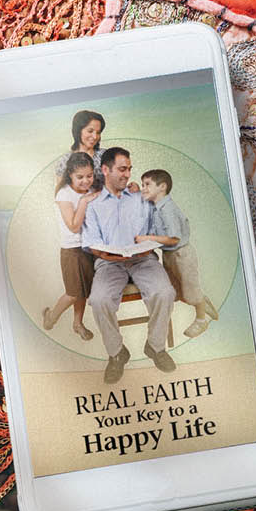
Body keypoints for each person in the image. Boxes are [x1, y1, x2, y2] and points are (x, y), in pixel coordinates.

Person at [81, 147, 176, 384]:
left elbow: (157, 230)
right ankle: (117, 353)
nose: (127, 174)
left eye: (129, 169)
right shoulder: (93, 205)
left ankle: (155, 347)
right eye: (122, 169)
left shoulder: (141, 197)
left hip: (143, 259)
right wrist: (108, 255)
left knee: (165, 292)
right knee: (100, 299)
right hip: (109, 263)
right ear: (105, 170)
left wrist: (149, 243)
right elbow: (92, 243)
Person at [135, 168, 219, 338]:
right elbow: (143, 204)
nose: (143, 188)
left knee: (190, 291)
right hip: (169, 256)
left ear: (162, 187)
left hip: (181, 255)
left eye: (147, 185)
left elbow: (174, 239)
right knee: (179, 291)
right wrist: (136, 190)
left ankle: (201, 320)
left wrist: (148, 238)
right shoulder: (156, 206)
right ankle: (201, 300)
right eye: (142, 184)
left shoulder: (168, 209)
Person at [43, 152, 98, 340]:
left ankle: (77, 324)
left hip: (90, 248)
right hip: (72, 250)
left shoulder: (91, 191)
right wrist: (83, 202)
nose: (86, 181)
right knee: (74, 293)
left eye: (89, 176)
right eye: (80, 177)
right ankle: (51, 315)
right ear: (70, 176)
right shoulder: (64, 193)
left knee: (83, 291)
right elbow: (74, 227)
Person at [53, 110, 105, 189]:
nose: (95, 136)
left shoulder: (105, 155)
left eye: (98, 132)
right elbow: (61, 195)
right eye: (90, 131)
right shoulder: (64, 161)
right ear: (78, 131)